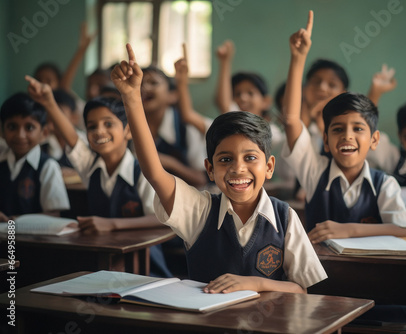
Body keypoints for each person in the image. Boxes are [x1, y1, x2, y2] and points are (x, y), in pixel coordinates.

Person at [111, 43, 327, 293]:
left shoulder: (285, 218)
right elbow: (155, 172)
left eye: (250, 158)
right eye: (225, 159)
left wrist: (255, 283)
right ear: (209, 169)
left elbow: (302, 290)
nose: (238, 169)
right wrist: (131, 98)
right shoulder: (200, 211)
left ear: (269, 167)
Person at [281, 11, 406, 242]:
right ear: (325, 139)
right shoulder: (315, 173)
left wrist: (351, 230)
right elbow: (292, 119)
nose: (347, 136)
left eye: (358, 129)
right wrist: (298, 58)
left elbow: (405, 230)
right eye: (338, 129)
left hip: (373, 274)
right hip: (322, 275)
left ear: (374, 140)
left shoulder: (384, 184)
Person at [24, 75, 172, 278]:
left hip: (143, 267)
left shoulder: (143, 173)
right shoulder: (90, 167)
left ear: (128, 131)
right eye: (92, 126)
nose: (99, 131)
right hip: (104, 264)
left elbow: (163, 218)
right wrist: (48, 101)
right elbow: (71, 136)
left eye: (108, 124)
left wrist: (111, 224)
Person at [0, 92, 70, 221]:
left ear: (44, 133)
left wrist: (14, 221)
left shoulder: (48, 167)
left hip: (33, 239)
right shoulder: (1, 162)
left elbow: (54, 214)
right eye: (12, 127)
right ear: (2, 132)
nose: (20, 135)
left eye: (29, 127)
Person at [140, 65, 207, 188]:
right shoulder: (127, 127)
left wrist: (170, 163)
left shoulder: (185, 128)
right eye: (139, 83)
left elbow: (202, 179)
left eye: (153, 82)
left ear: (172, 95)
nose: (144, 87)